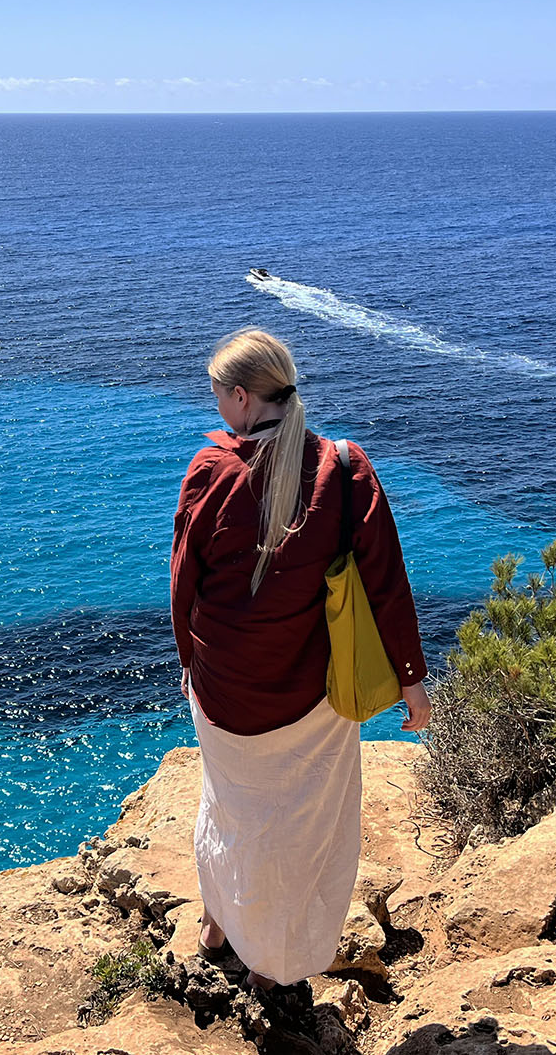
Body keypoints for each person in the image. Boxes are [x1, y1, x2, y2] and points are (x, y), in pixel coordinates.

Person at [170, 326, 431, 993]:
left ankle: (218, 922)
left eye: (217, 397)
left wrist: (189, 664)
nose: (216, 410)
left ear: (240, 397)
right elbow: (386, 582)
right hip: (309, 692)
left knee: (228, 807)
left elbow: (183, 582)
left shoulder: (210, 472)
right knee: (301, 831)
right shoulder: (343, 469)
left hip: (222, 686)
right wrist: (411, 682)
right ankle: (274, 963)